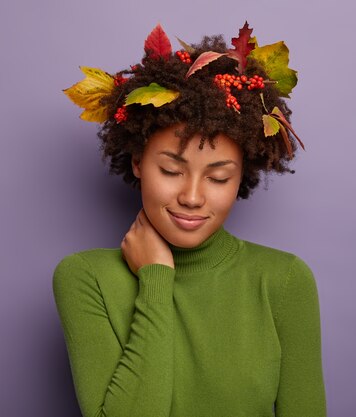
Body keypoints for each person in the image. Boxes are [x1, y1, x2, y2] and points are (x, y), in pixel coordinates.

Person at [52, 22, 327, 417]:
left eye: (218, 177)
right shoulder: (85, 278)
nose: (192, 197)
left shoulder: (284, 280)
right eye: (170, 170)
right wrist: (156, 280)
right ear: (137, 162)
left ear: (241, 178)